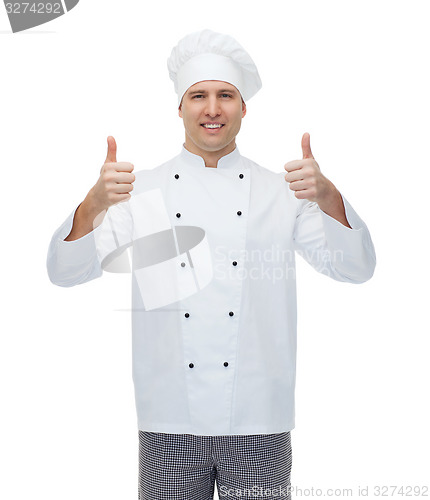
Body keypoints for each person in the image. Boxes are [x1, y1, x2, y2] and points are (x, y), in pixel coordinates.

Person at [47, 29, 376, 500]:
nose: (212, 108)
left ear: (244, 108)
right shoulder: (140, 191)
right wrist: (92, 205)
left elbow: (356, 268)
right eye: (198, 95)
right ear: (179, 108)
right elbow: (65, 272)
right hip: (168, 418)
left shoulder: (281, 192)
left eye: (226, 95)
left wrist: (329, 198)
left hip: (259, 417)